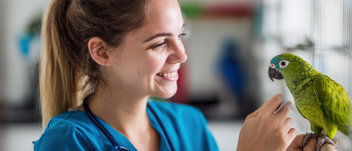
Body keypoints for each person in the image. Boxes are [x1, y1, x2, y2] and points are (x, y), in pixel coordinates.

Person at [33, 0, 319, 150]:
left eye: (180, 34)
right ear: (102, 52)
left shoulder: (189, 125)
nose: (182, 54)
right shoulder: (67, 142)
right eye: (159, 43)